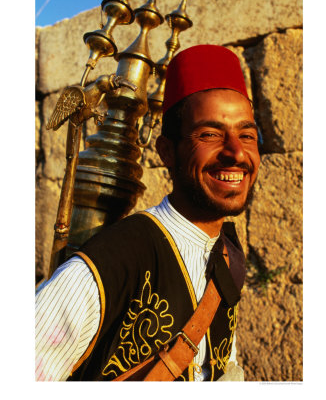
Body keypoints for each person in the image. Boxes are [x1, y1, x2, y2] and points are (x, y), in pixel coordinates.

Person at [35, 44, 260, 382]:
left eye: (247, 134)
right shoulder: (108, 265)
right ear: (167, 151)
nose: (236, 152)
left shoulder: (228, 255)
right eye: (210, 134)